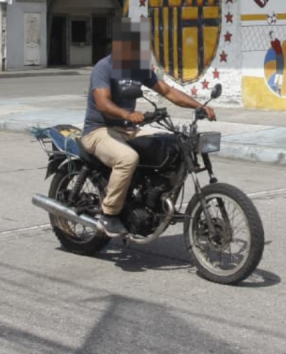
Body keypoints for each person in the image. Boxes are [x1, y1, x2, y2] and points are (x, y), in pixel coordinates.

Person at [82, 20, 215, 237]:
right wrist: (127, 114)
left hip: (127, 130)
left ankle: (154, 201)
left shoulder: (138, 67)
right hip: (99, 130)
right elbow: (103, 103)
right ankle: (109, 214)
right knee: (127, 159)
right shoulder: (104, 67)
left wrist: (199, 105)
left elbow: (169, 92)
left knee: (173, 147)